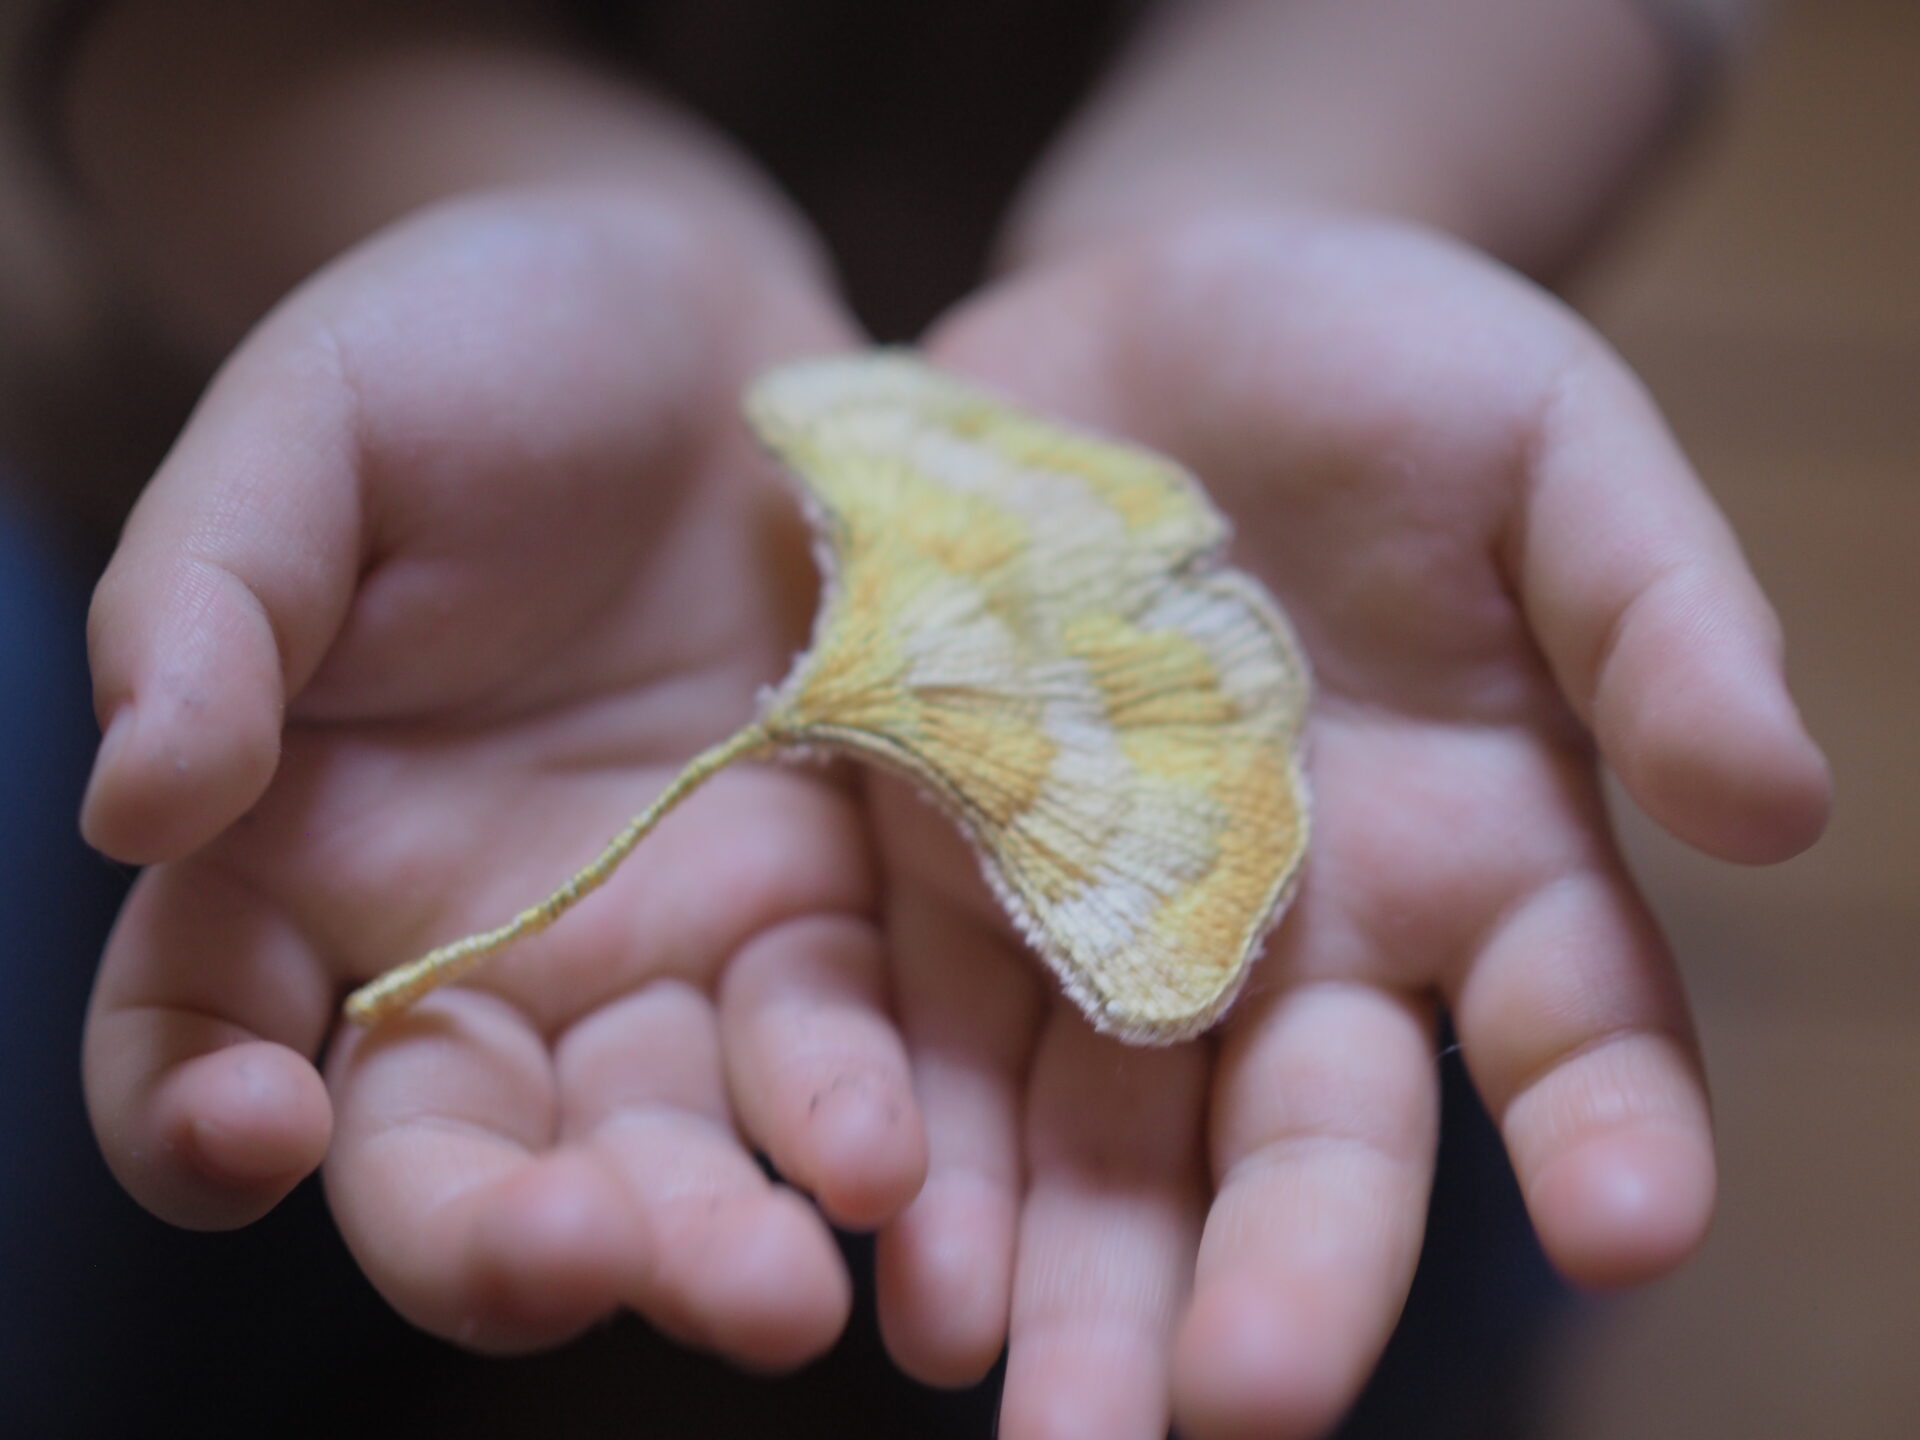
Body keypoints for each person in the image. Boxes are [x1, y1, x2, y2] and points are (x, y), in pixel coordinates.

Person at [2, 1, 1829, 1436]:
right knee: (101, 1236)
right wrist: (489, 190)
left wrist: (1290, 190)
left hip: (1358, 603)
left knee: (1346, 1236)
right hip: (371, 584)